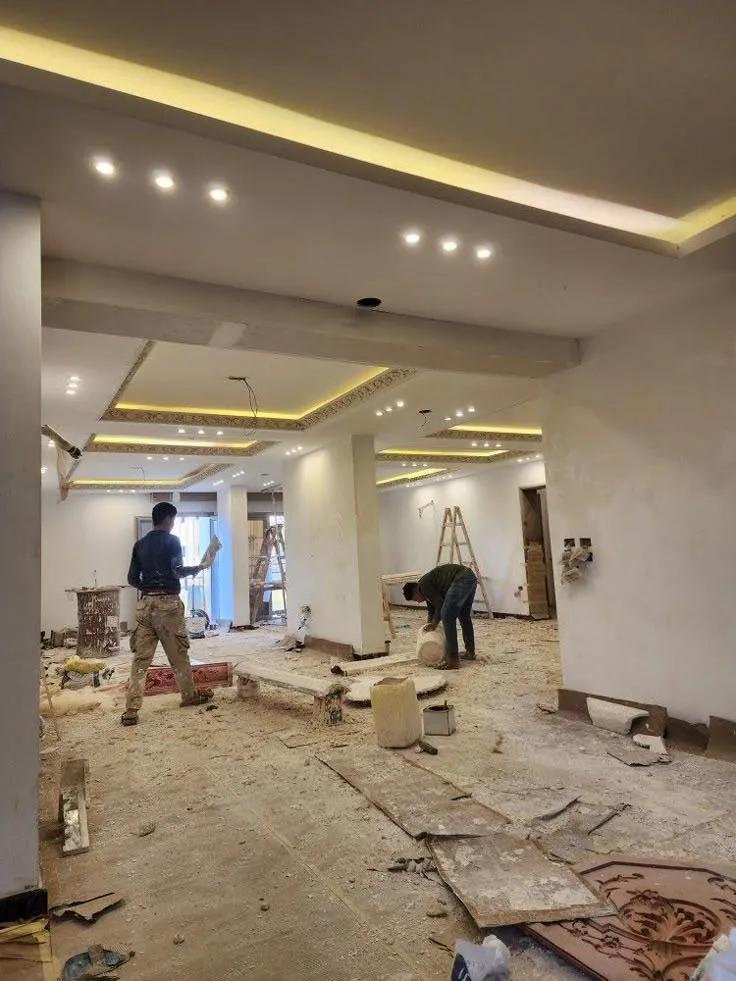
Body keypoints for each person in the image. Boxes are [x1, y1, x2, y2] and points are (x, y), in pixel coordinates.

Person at [121, 501, 213, 725]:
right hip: (168, 606)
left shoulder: (140, 544)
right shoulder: (172, 541)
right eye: (173, 520)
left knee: (141, 660)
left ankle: (131, 710)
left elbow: (132, 579)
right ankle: (189, 696)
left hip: (145, 606)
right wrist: (199, 567)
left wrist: (148, 589)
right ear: (169, 519)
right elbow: (177, 571)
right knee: (179, 655)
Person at [403, 564, 477, 669]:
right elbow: (432, 610)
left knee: (447, 615)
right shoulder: (424, 587)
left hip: (461, 578)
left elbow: (440, 604)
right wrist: (430, 624)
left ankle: (453, 660)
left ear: (415, 591)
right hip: (469, 577)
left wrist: (434, 624)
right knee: (464, 616)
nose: (418, 602)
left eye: (415, 599)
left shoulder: (424, 586)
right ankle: (470, 652)